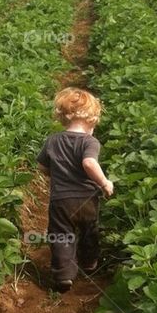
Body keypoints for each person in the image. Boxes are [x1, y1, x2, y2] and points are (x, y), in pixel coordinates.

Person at [36, 87, 113, 292]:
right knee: (89, 230)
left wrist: (56, 174)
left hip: (61, 200)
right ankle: (89, 263)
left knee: (61, 235)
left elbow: (42, 167)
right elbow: (89, 164)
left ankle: (63, 275)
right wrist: (104, 183)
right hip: (87, 199)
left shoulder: (53, 140)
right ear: (91, 120)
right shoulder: (90, 141)